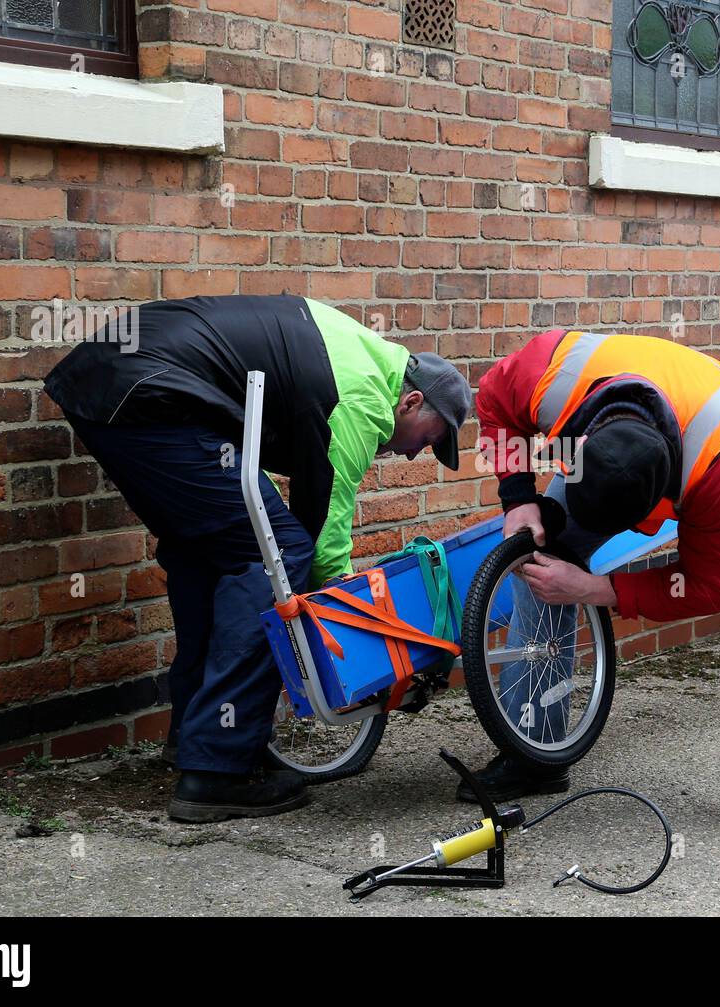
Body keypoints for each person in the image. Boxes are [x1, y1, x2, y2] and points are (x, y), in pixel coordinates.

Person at [44, 295, 471, 823]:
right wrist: (343, 607)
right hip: (149, 391)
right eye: (429, 440)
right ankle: (217, 772)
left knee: (214, 551)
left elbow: (266, 473)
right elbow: (325, 521)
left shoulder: (355, 354)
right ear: (409, 403)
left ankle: (195, 739)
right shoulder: (361, 398)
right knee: (277, 551)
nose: (413, 454)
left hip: (111, 384)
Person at [467, 329, 720, 831]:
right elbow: (493, 398)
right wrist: (519, 497)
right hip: (620, 436)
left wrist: (596, 589)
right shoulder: (549, 380)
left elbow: (710, 585)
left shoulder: (712, 469)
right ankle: (536, 752)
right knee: (541, 559)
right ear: (579, 445)